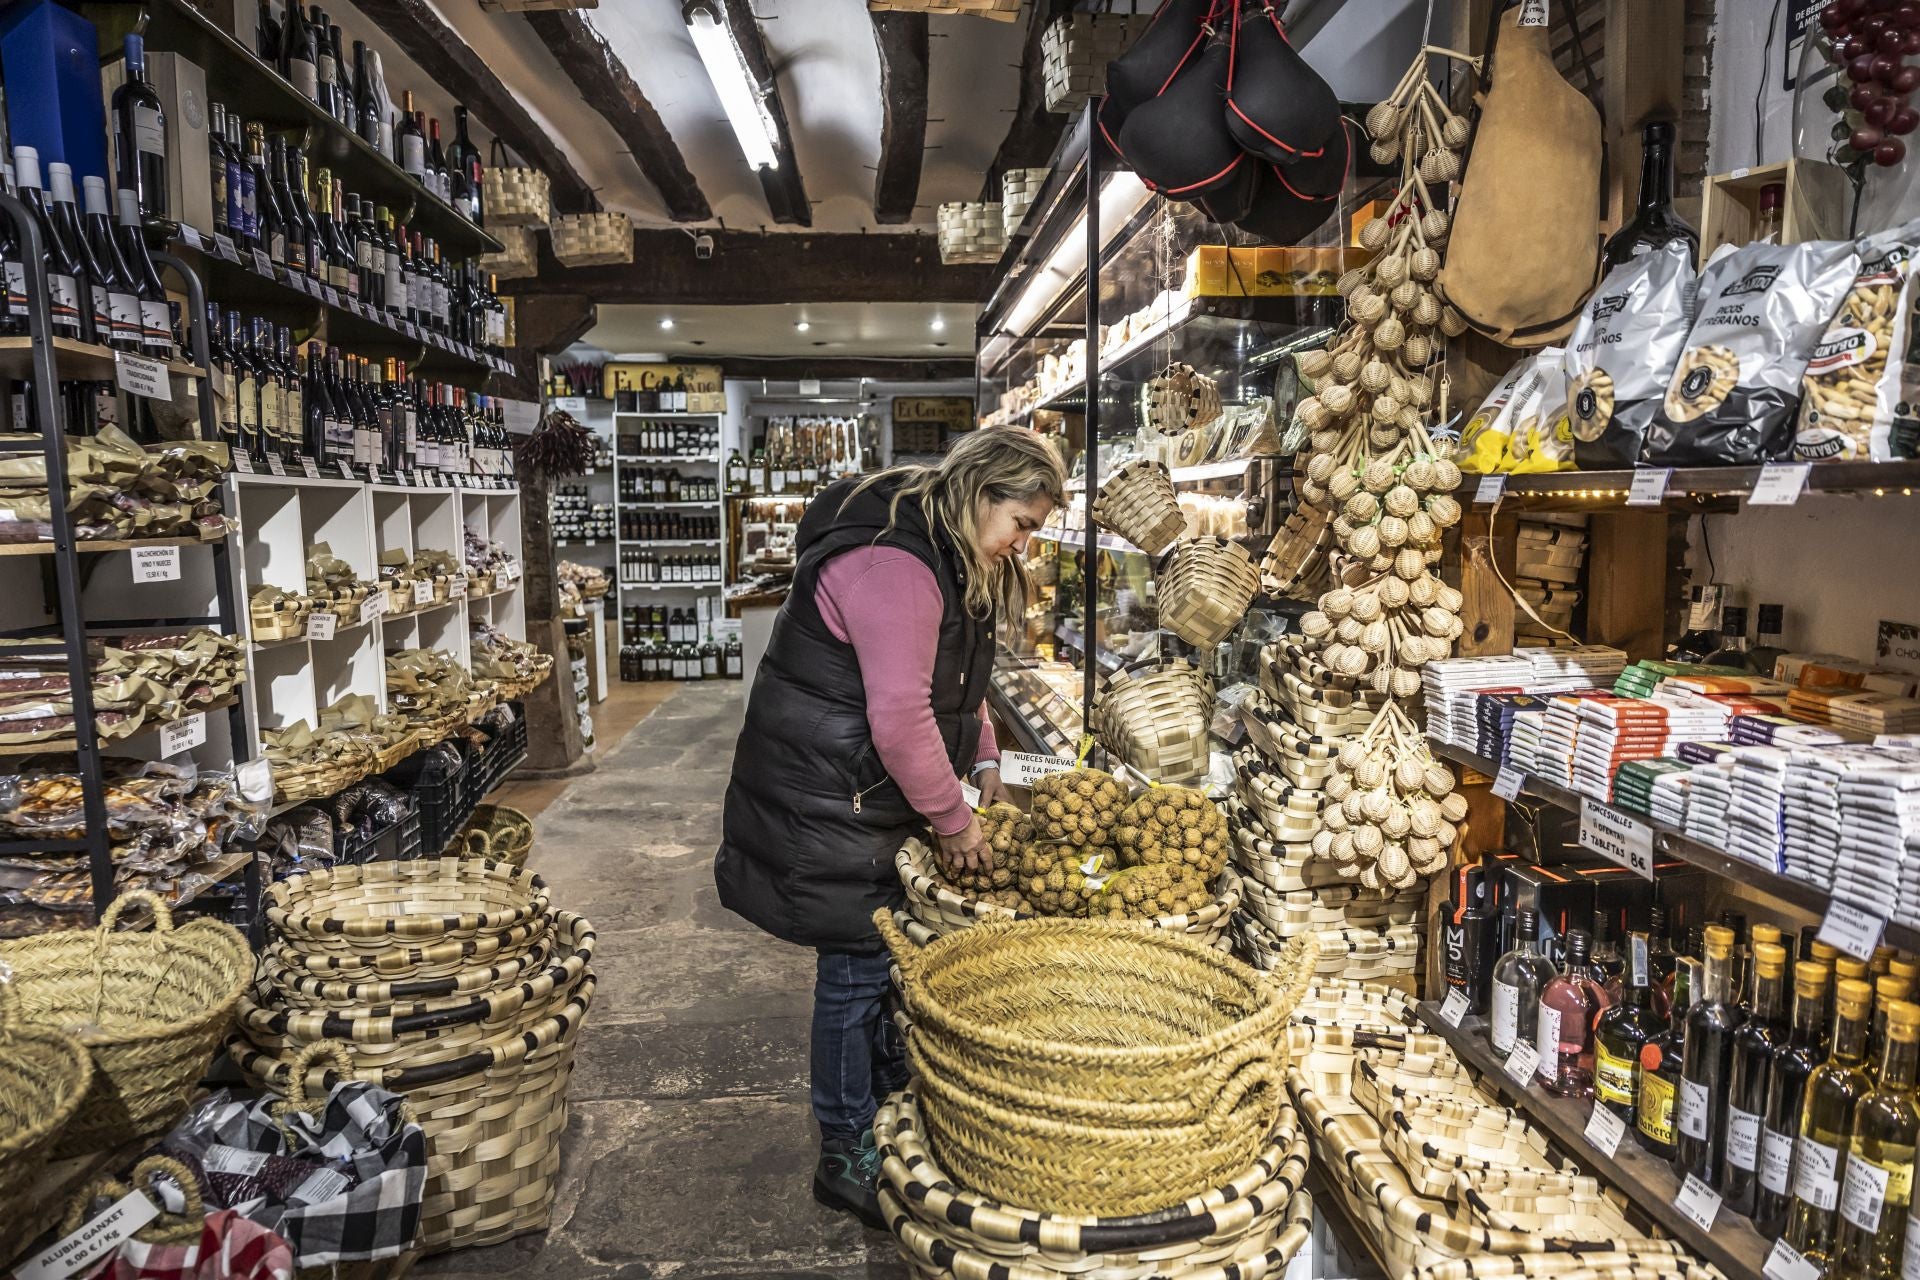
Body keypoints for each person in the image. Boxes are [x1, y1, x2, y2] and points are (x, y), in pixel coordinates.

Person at [714, 426, 1065, 1228]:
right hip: (829, 792)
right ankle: (844, 1150)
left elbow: (957, 689)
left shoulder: (950, 552)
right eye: (1024, 523)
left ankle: (877, 1103)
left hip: (861, 789)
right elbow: (902, 716)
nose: (1024, 544)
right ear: (983, 494)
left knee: (880, 952)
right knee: (855, 962)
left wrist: (982, 770)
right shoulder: (896, 565)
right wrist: (954, 822)